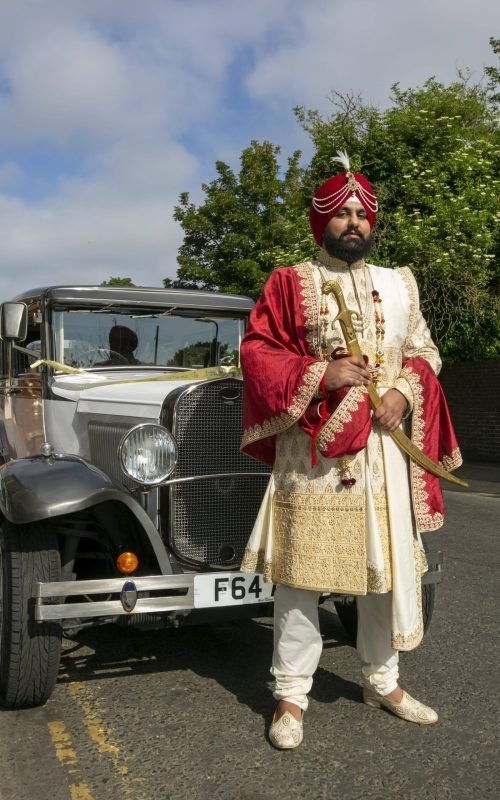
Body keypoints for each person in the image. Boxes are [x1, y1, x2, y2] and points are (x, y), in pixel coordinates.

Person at [239, 152, 462, 749]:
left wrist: (401, 390)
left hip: (386, 456)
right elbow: (259, 355)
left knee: (386, 575)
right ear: (322, 223)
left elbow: (425, 353)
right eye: (343, 213)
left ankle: (382, 681)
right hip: (312, 459)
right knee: (300, 580)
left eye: (364, 214)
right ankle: (291, 696)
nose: (356, 222)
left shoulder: (400, 283)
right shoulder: (290, 282)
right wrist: (322, 372)